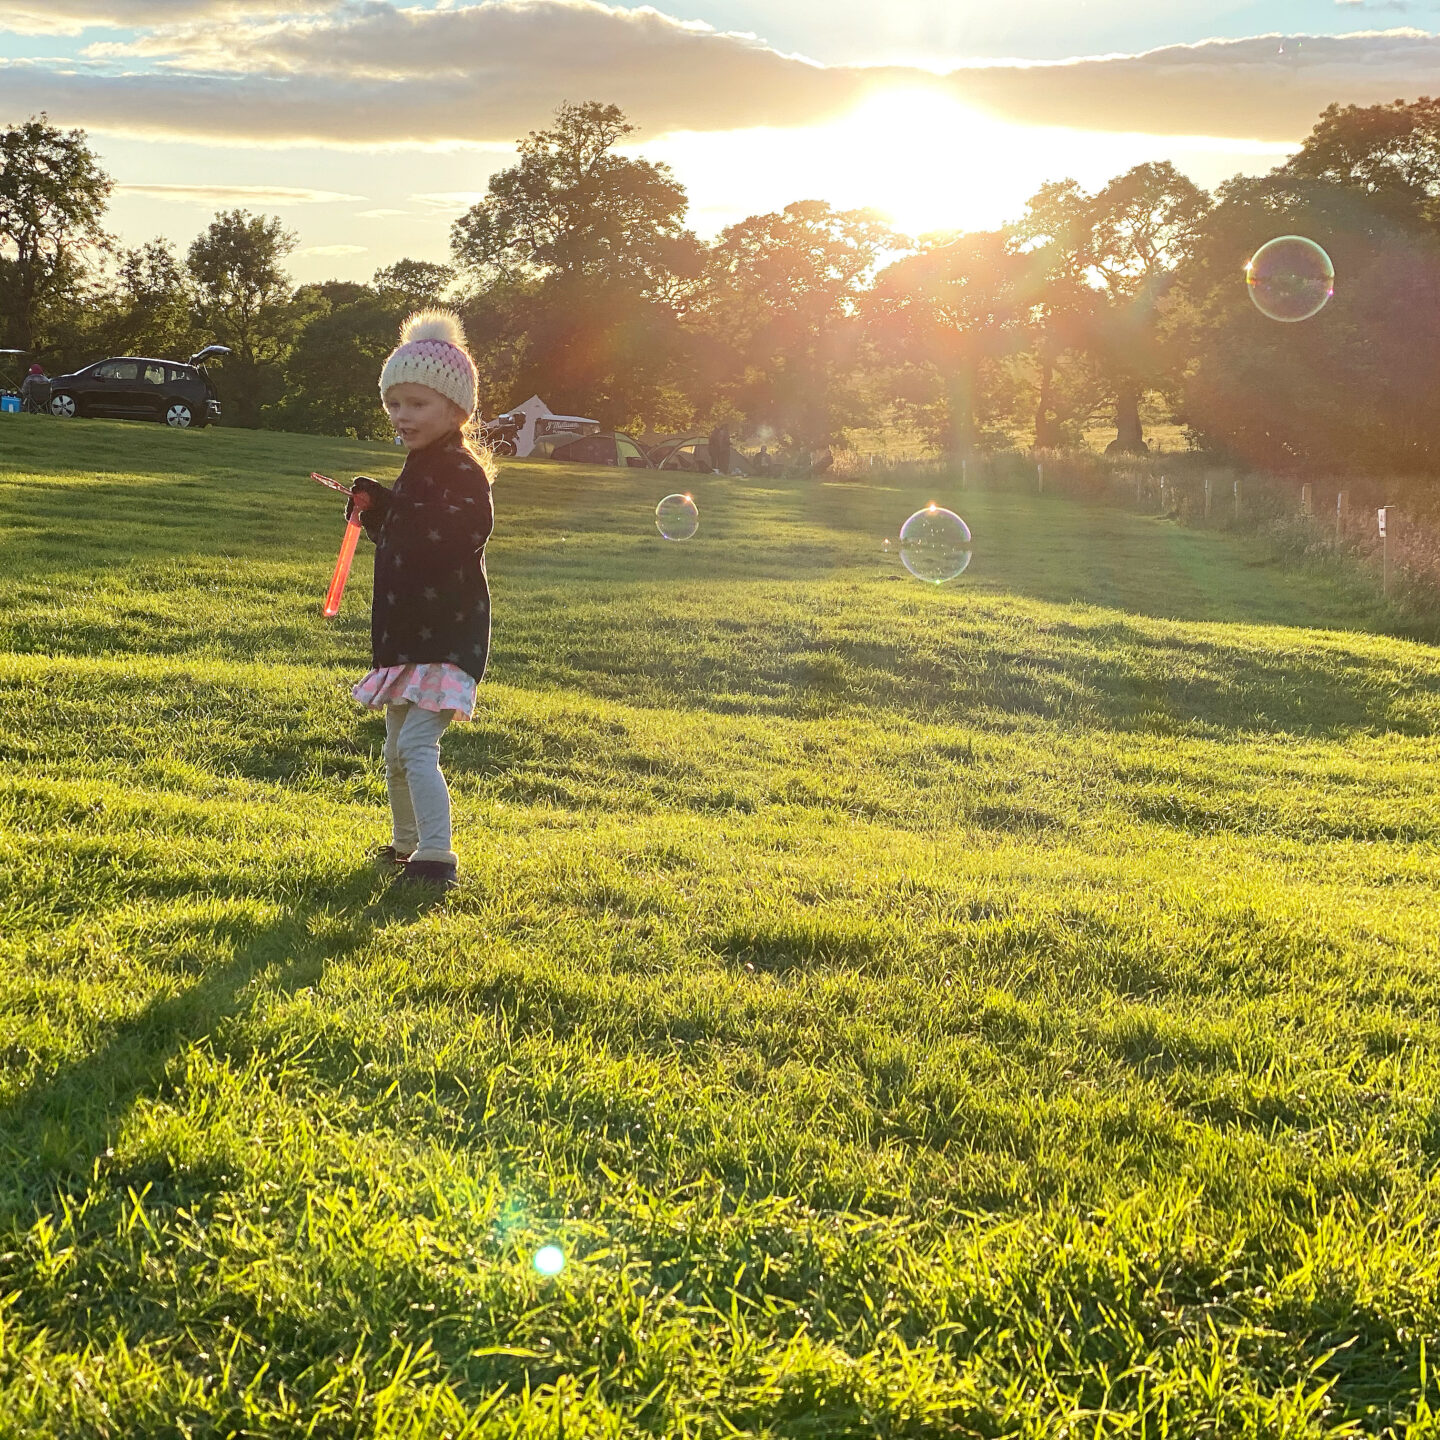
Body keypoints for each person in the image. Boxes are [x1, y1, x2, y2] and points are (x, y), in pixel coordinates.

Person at [346, 310, 494, 890]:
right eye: (394, 404)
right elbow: (406, 538)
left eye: (417, 404)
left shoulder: (461, 471)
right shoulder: (419, 466)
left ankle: (437, 856)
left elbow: (456, 536)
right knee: (394, 749)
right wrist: (380, 509)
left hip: (445, 635)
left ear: (456, 410)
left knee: (415, 744)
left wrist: (397, 509)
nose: (401, 417)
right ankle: (406, 844)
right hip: (409, 637)